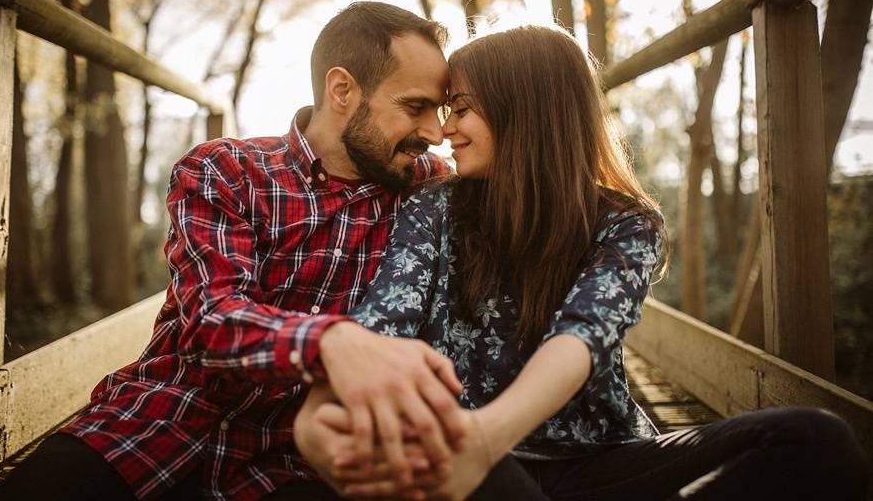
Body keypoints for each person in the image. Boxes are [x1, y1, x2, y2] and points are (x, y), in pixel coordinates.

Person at [293, 25, 869, 500]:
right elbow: (380, 326)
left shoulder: (626, 221)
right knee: (444, 462)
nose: (444, 130)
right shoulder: (433, 208)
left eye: (460, 109)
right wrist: (318, 417)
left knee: (815, 438)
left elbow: (581, 339)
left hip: (602, 462)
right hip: (479, 475)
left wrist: (483, 436)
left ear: (525, 112)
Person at [0, 2, 473, 501]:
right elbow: (211, 319)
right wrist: (330, 342)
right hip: (159, 420)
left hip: (292, 461)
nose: (434, 133)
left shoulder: (427, 190)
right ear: (343, 90)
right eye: (414, 108)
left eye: (438, 113)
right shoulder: (227, 170)